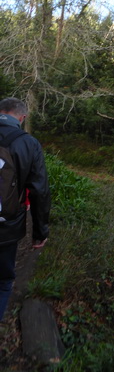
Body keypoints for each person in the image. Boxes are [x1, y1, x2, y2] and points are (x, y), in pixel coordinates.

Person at [0, 97, 50, 322]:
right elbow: (39, 191)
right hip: (6, 227)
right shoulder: (29, 143)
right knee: (2, 281)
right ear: (22, 117)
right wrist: (39, 233)